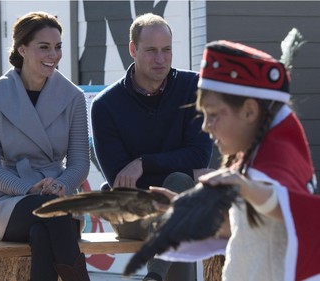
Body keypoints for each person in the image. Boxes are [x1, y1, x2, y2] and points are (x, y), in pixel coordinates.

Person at [91, 13, 213, 281]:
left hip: (180, 203)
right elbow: (119, 180)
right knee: (180, 192)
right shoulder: (105, 106)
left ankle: (154, 277)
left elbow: (200, 154)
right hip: (131, 211)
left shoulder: (193, 88)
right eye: (151, 51)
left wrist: (143, 163)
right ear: (133, 50)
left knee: (178, 192)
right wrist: (189, 171)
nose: (161, 59)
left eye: (166, 50)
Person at [0, 11, 90, 281]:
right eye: (44, 47)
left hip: (59, 194)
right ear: (22, 49)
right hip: (13, 202)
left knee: (43, 229)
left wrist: (62, 184)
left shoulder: (74, 97)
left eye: (58, 47)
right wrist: (28, 188)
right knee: (51, 212)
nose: (54, 54)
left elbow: (79, 163)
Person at [192, 40, 320, 280]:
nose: (206, 126)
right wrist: (178, 209)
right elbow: (246, 228)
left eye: (213, 114)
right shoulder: (255, 158)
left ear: (250, 111)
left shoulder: (275, 161)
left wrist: (245, 187)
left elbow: (291, 208)